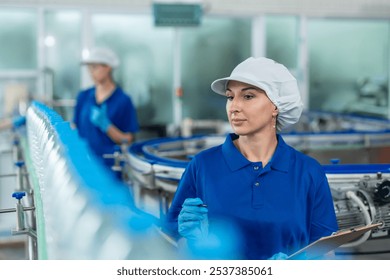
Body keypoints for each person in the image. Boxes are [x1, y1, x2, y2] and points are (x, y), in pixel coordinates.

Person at [164, 57, 338, 260]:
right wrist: (194, 244)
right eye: (230, 97)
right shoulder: (203, 166)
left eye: (247, 96)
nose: (234, 107)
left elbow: (326, 253)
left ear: (276, 106)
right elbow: (172, 245)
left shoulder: (308, 172)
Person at [73, 47, 139, 171]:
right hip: (85, 164)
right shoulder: (84, 96)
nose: (90, 72)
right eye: (89, 68)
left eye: (94, 67)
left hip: (110, 167)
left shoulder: (123, 100)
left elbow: (128, 140)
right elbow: (75, 127)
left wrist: (108, 127)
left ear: (108, 67)